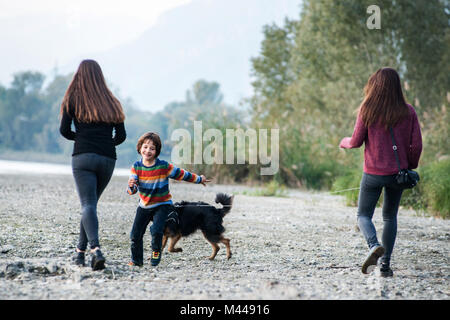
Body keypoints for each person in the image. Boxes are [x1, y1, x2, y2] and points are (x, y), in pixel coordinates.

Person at [339, 67, 422, 277]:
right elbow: (417, 146)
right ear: (397, 86)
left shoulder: (367, 109)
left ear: (374, 85)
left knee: (363, 215)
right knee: (389, 217)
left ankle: (373, 245)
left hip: (373, 174)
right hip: (397, 174)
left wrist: (344, 142)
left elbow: (356, 141)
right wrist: (408, 165)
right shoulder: (408, 111)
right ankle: (385, 266)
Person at [59, 59, 126, 271]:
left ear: (79, 75)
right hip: (107, 158)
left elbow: (64, 130)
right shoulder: (112, 101)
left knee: (88, 204)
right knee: (91, 205)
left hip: (83, 157)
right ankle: (80, 253)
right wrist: (105, 144)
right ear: (100, 76)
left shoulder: (73, 99)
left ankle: (95, 249)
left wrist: (80, 139)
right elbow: (121, 136)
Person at [127, 132, 210, 267]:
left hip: (162, 204)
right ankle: (136, 260)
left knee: (157, 230)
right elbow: (132, 189)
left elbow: (182, 174)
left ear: (157, 151)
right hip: (144, 205)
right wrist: (131, 187)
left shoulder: (164, 166)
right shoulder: (136, 167)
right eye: (145, 147)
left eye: (152, 148)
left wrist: (199, 179)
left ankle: (156, 252)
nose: (148, 151)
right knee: (135, 234)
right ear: (140, 147)